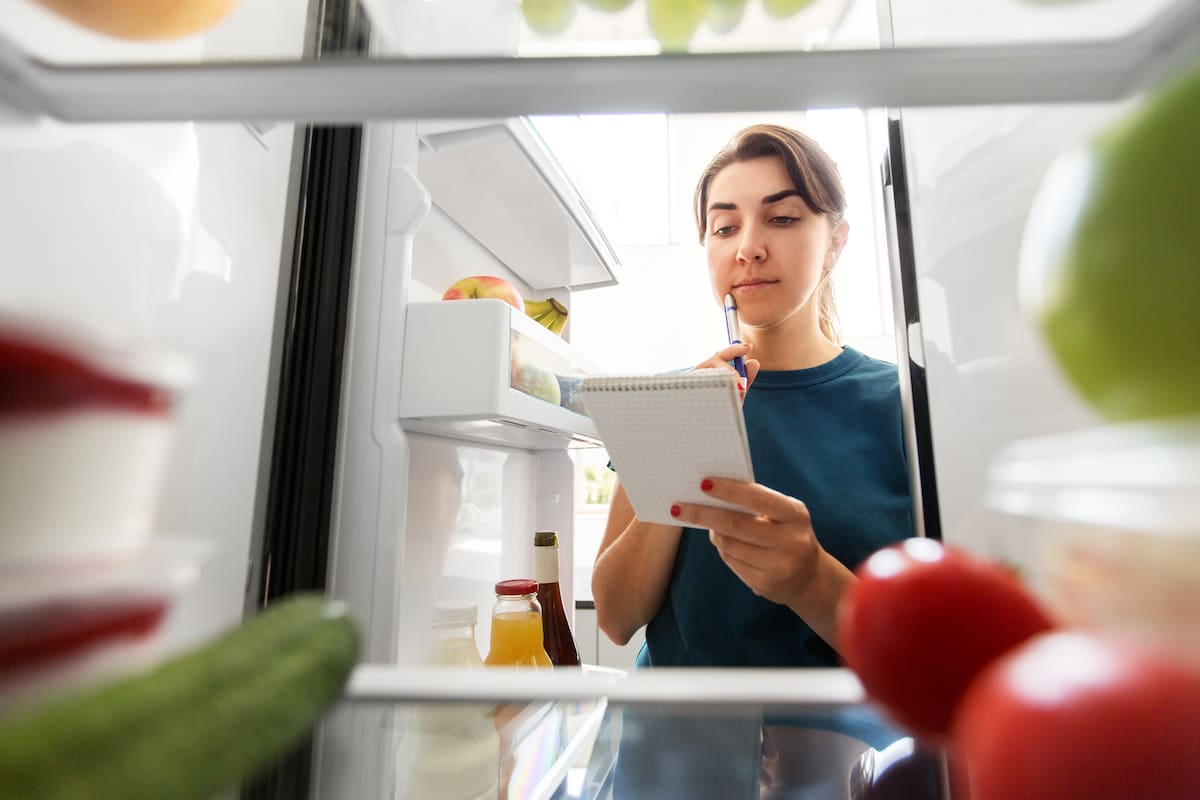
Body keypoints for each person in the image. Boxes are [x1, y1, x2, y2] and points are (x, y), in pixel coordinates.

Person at [591, 123, 917, 797]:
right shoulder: (666, 401)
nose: (749, 248)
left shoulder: (905, 408)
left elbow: (925, 657)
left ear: (837, 242)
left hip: (846, 767)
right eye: (723, 227)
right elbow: (617, 617)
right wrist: (682, 448)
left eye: (783, 217)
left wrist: (811, 581)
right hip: (672, 765)